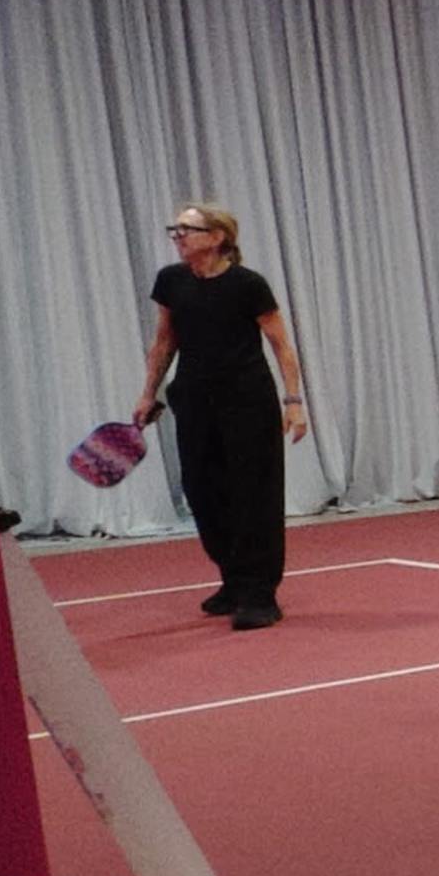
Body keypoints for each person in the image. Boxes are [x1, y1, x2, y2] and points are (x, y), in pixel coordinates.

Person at [132, 200, 308, 630]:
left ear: (217, 238)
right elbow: (163, 341)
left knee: (254, 494)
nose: (178, 237)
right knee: (203, 491)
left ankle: (259, 593)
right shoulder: (171, 281)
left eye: (186, 230)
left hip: (248, 400)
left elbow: (281, 346)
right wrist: (147, 393)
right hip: (193, 399)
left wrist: (293, 401)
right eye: (175, 230)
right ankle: (233, 579)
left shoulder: (248, 285)